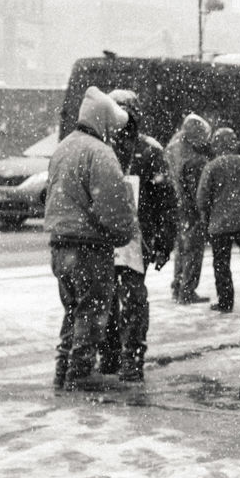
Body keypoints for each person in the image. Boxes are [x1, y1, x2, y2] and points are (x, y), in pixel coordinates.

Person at [44, 86, 138, 392]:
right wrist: (123, 232)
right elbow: (113, 204)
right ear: (105, 123)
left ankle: (63, 368)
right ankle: (81, 372)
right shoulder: (100, 153)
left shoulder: (63, 148)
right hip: (89, 246)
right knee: (93, 310)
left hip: (60, 243)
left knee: (73, 309)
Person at [99, 89, 177, 382]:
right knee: (107, 300)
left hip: (134, 238)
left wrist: (164, 242)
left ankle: (129, 357)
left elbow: (166, 201)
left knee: (130, 300)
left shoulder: (148, 151)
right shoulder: (103, 148)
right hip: (109, 236)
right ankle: (112, 355)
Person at [196, 126, 240, 313]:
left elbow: (202, 198)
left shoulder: (212, 167)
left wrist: (207, 213)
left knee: (221, 265)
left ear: (216, 144)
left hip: (219, 224)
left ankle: (225, 302)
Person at [165, 112, 212, 304]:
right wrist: (203, 211)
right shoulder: (195, 160)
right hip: (191, 209)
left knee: (182, 248)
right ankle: (187, 290)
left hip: (176, 207)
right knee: (193, 249)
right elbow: (198, 192)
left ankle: (178, 286)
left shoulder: (173, 147)